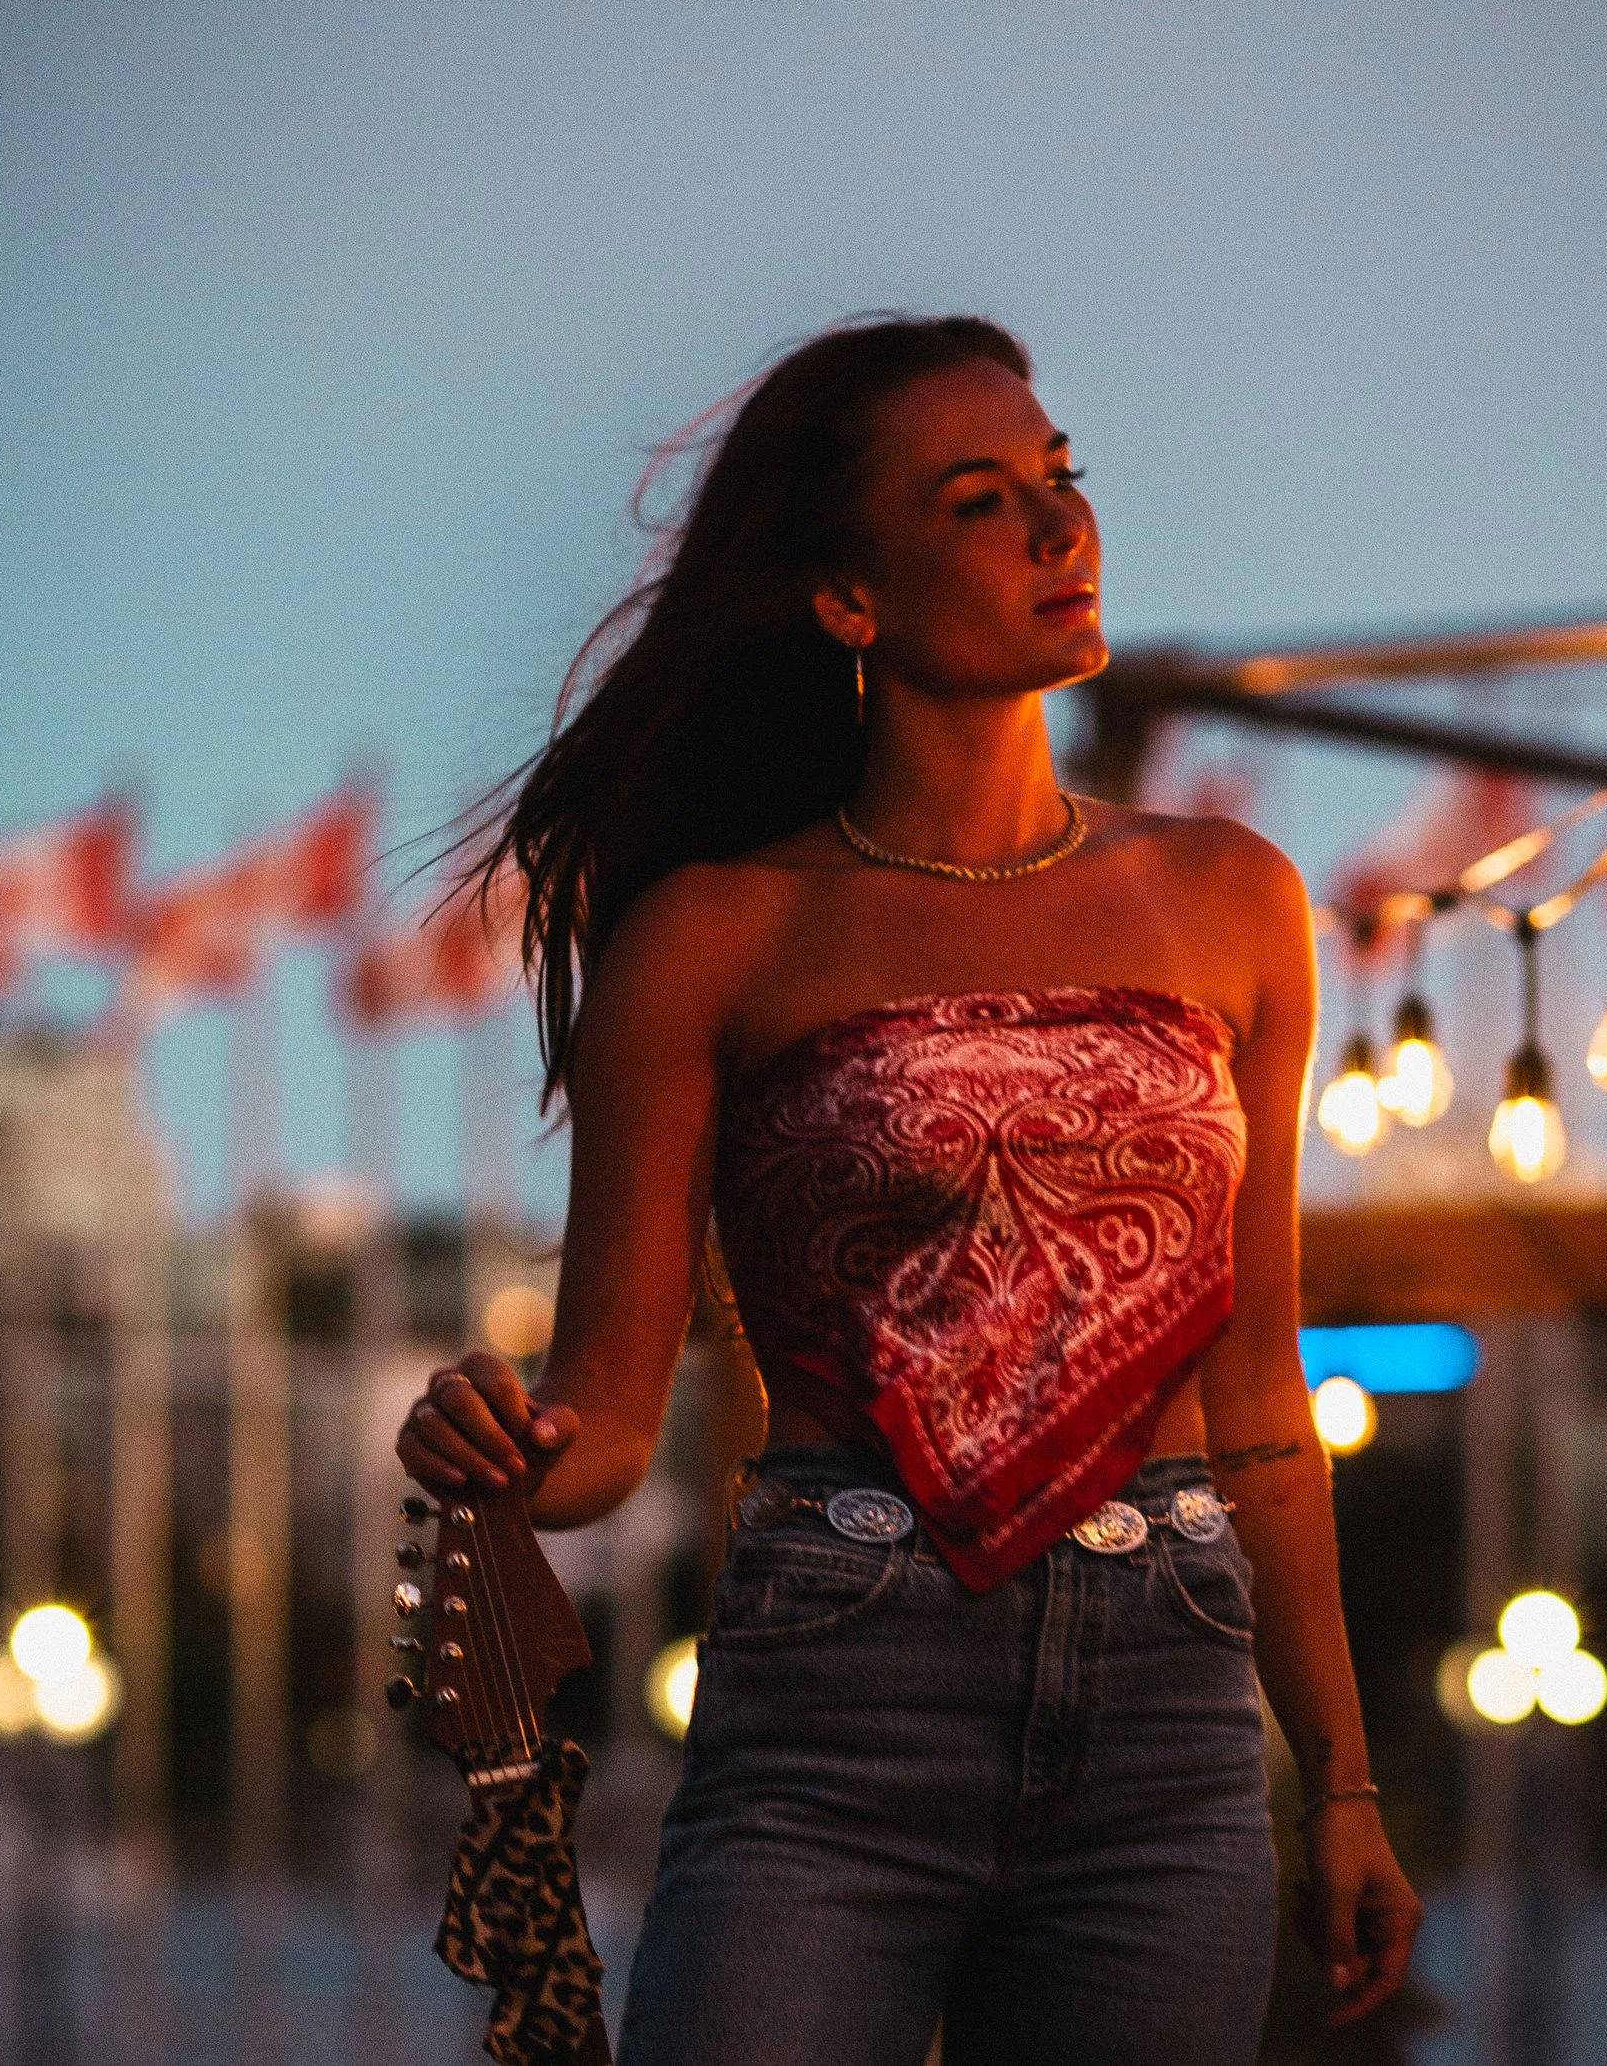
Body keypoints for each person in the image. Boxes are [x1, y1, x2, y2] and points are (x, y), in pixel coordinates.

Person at [397, 315, 1421, 2063]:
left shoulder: (1234, 900)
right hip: (834, 1710)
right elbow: (616, 1411)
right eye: (978, 503)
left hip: (1172, 1715)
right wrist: (497, 1440)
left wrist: (1341, 1782)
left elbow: (1258, 1391)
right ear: (846, 597)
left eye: (1062, 481)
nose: (1057, 530)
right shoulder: (716, 936)